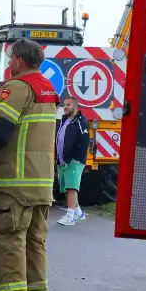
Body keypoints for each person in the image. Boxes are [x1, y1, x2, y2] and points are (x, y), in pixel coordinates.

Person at [0, 38, 58, 291]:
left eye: (11, 58)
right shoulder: (48, 91)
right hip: (40, 184)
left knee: (9, 247)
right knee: (35, 247)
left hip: (14, 183)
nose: (9, 63)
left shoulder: (16, 88)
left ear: (20, 62)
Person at [55, 96, 90, 225]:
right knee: (66, 187)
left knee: (71, 187)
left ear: (75, 106)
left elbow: (84, 141)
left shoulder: (81, 122)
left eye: (68, 105)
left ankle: (70, 216)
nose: (65, 107)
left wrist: (74, 158)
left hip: (73, 160)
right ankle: (78, 213)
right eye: (64, 105)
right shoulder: (64, 120)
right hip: (62, 160)